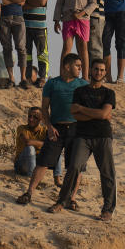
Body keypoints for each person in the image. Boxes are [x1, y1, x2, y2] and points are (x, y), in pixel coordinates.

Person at [48, 59, 116, 222]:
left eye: (102, 70)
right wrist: (97, 113)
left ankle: (107, 210)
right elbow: (74, 113)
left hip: (103, 136)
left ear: (105, 73)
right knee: (74, 167)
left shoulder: (109, 93)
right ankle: (61, 202)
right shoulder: (80, 91)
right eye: (96, 69)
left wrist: (84, 110)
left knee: (107, 173)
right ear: (90, 70)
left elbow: (104, 115)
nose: (98, 72)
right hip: (83, 136)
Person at [15, 53, 86, 205]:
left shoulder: (82, 84)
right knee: (43, 161)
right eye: (77, 66)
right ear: (67, 66)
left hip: (76, 128)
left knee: (75, 165)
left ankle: (72, 199)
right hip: (56, 129)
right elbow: (44, 108)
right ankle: (29, 193)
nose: (81, 68)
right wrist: (49, 127)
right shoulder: (52, 84)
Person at [53, 0, 97, 80]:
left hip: (83, 19)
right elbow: (59, 3)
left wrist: (82, 13)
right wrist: (56, 20)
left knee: (83, 48)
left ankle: (85, 77)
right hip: (67, 18)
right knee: (67, 48)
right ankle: (63, 75)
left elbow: (93, 3)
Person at [23, 0, 51, 87]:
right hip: (25, 27)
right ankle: (28, 78)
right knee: (27, 55)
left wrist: (27, 2)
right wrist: (33, 2)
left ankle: (42, 78)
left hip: (40, 27)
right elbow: (20, 3)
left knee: (42, 54)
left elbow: (42, 1)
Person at [14, 106, 60, 180]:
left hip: (36, 163)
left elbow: (54, 144)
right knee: (30, 148)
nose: (31, 119)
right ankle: (32, 178)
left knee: (56, 150)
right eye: (29, 116)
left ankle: (57, 179)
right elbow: (27, 142)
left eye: (35, 117)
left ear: (41, 119)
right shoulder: (22, 128)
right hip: (21, 165)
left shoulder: (44, 130)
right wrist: (45, 144)